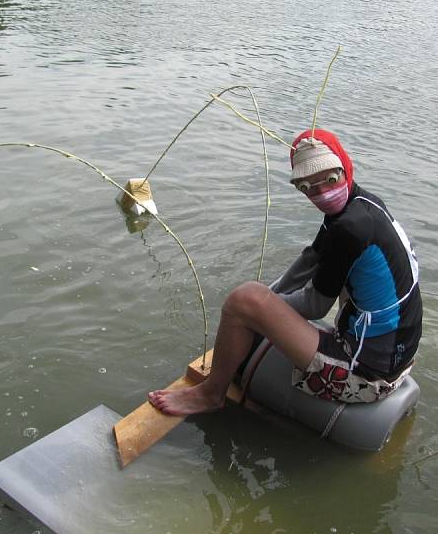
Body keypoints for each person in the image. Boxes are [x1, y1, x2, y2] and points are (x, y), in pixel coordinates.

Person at [148, 128, 423, 416]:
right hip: (396, 358)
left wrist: (254, 311)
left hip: (367, 376)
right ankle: (251, 317)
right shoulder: (359, 205)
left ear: (345, 166)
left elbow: (315, 305)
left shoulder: (351, 228)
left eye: (330, 180)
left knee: (242, 300)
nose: (322, 194)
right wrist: (269, 300)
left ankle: (210, 394)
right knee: (259, 300)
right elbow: (312, 258)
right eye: (308, 187)